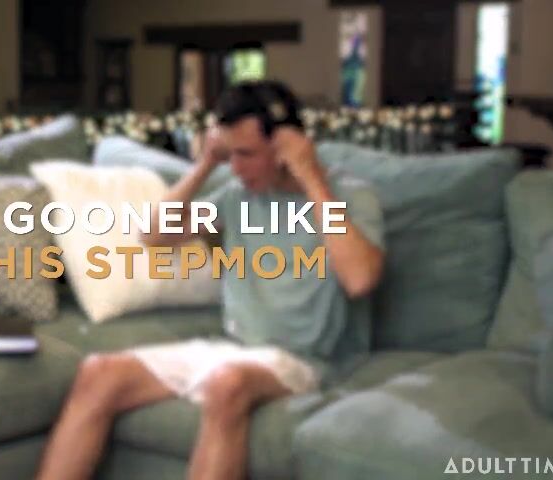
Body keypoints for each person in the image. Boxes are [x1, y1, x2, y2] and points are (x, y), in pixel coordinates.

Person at [35, 80, 386, 480]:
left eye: (246, 154)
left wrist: (310, 175)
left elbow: (360, 280)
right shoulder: (238, 197)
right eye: (229, 154)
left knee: (227, 384)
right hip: (237, 350)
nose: (235, 168)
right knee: (99, 373)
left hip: (308, 360)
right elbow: (153, 235)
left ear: (288, 145)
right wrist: (204, 164)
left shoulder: (347, 195)